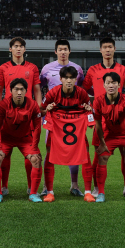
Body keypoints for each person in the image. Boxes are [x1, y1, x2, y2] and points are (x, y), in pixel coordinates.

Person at [83, 37, 125, 198]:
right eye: (104, 47)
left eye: (110, 47)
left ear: (114, 49)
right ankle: (98, 188)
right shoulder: (92, 70)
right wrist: (90, 114)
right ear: (100, 50)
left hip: (121, 119)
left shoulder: (124, 70)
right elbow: (84, 92)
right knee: (99, 155)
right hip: (101, 121)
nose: (107, 50)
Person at [0, 37, 42, 196]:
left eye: (21, 46)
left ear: (25, 49)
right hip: (7, 115)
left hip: (27, 115)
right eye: (15, 46)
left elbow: (36, 89)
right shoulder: (3, 68)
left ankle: (30, 187)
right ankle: (4, 187)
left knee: (31, 155)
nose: (18, 49)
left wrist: (40, 109)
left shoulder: (33, 67)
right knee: (4, 154)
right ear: (10, 49)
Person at [41, 66, 95, 202]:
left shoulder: (82, 93)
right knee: (49, 156)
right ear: (61, 79)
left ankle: (88, 192)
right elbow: (41, 110)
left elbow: (89, 111)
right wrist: (46, 109)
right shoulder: (53, 92)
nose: (69, 80)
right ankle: (50, 192)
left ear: (76, 79)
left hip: (77, 130)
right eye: (66, 77)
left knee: (85, 155)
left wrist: (90, 110)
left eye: (72, 78)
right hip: (56, 130)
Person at [39, 39, 85, 196]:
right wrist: (43, 106)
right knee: (49, 149)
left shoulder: (77, 69)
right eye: (60, 49)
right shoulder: (47, 68)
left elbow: (81, 90)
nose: (63, 52)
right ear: (56, 52)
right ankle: (46, 186)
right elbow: (39, 86)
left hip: (72, 116)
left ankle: (75, 185)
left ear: (69, 51)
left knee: (74, 150)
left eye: (66, 49)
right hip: (53, 115)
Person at [93, 72, 125, 204]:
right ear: (104, 85)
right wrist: (102, 143)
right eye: (108, 83)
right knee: (102, 157)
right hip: (110, 135)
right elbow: (98, 125)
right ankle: (101, 193)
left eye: (114, 83)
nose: (111, 85)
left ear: (119, 85)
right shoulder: (98, 101)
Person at [0, 78, 43, 203]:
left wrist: (35, 147)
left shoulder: (33, 105)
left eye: (22, 89)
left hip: (25, 139)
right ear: (10, 91)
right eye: (16, 89)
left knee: (36, 158)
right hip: (6, 139)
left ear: (26, 91)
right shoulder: (3, 104)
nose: (19, 92)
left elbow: (37, 127)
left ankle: (33, 193)